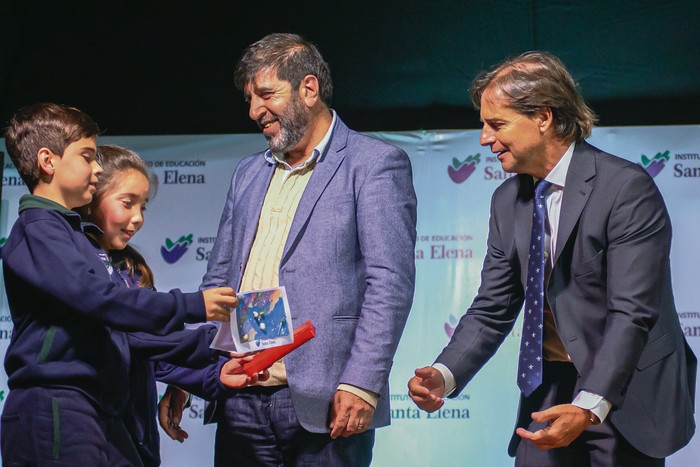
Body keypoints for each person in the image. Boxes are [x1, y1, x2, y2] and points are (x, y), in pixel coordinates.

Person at [408, 51, 696, 466]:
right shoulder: (506, 200)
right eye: (482, 125)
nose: (484, 139)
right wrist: (444, 374)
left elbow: (631, 313)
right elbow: (493, 307)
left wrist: (587, 406)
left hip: (625, 389)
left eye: (496, 124)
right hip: (548, 388)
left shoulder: (626, 188)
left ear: (543, 117)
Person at [160, 33, 417, 466]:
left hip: (329, 401)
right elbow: (217, 283)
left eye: (265, 94)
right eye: (249, 99)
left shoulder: (374, 163)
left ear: (309, 89)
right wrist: (188, 376)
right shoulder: (247, 173)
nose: (253, 111)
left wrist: (362, 383)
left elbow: (389, 284)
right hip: (239, 395)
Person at [1, 103, 238, 466]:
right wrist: (194, 307)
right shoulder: (39, 229)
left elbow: (134, 332)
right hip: (54, 405)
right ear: (48, 161)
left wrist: (223, 349)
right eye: (86, 157)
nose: (96, 168)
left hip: (90, 408)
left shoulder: (74, 237)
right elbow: (102, 302)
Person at [81, 144, 267, 466]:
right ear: (90, 196)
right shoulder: (75, 265)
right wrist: (218, 343)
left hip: (136, 439)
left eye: (144, 208)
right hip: (92, 437)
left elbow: (157, 355)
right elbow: (133, 339)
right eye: (127, 204)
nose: (137, 219)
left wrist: (216, 376)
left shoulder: (133, 270)